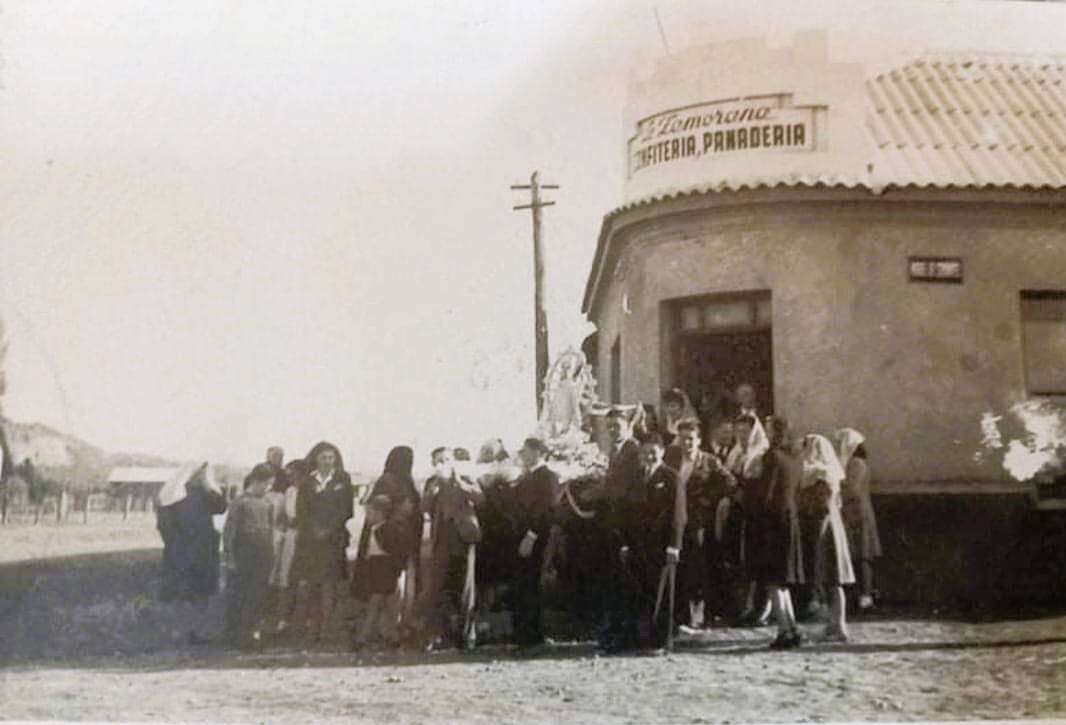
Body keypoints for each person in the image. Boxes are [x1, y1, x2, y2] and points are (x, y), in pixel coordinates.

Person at [664, 419, 736, 631]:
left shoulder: (709, 461)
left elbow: (730, 483)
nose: (687, 443)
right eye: (683, 439)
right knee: (680, 568)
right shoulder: (671, 458)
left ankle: (700, 615)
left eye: (691, 439)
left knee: (699, 568)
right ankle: (680, 617)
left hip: (698, 523)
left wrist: (709, 499)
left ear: (699, 440)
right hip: (676, 522)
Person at [157, 462, 228, 645]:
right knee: (182, 592)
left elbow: (221, 507)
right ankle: (180, 630)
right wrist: (175, 544)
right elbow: (164, 525)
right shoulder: (174, 494)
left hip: (203, 549)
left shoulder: (205, 493)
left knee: (201, 592)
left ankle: (196, 630)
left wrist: (211, 486)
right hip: (182, 550)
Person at [421, 446, 485, 651]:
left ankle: (467, 635)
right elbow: (424, 508)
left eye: (446, 459)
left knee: (466, 586)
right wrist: (432, 493)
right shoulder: (432, 482)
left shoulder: (465, 477)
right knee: (438, 585)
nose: (443, 464)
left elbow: (480, 498)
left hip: (463, 536)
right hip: (442, 537)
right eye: (438, 461)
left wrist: (459, 484)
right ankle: (436, 634)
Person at [290, 441, 354, 642]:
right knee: (308, 583)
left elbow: (346, 509)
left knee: (329, 583)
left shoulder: (343, 479)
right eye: (323, 457)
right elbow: (301, 510)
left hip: (333, 539)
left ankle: (327, 626)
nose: (327, 461)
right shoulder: (307, 482)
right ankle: (309, 626)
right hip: (310, 540)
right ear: (315, 459)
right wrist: (314, 529)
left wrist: (328, 529)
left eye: (331, 458)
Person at [750, 416, 804, 649]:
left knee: (773, 581)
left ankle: (784, 630)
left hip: (772, 523)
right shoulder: (795, 458)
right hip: (789, 520)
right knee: (782, 580)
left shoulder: (771, 457)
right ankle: (791, 627)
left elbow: (766, 493)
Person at [797, 434, 856, 642]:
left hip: (823, 531)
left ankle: (838, 625)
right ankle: (835, 625)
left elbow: (821, 507)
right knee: (833, 580)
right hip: (831, 528)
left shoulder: (820, 474)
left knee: (832, 579)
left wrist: (816, 538)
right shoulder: (827, 472)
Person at [598, 408, 648, 652]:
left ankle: (629, 634)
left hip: (628, 523)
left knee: (628, 580)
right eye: (609, 427)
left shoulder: (633, 451)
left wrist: (601, 492)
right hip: (614, 522)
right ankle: (618, 632)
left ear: (628, 425)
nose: (611, 431)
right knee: (617, 579)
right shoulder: (615, 452)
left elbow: (626, 490)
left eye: (616, 426)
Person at [361, 446, 422, 644]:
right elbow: (379, 511)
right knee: (390, 588)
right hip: (390, 541)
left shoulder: (398, 481)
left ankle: (388, 628)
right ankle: (386, 629)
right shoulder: (393, 482)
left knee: (391, 588)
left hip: (398, 540)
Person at [508, 437, 558, 652]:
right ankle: (524, 634)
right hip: (522, 536)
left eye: (527, 451)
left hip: (535, 538)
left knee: (532, 584)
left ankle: (531, 635)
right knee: (524, 584)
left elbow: (546, 509)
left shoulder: (547, 477)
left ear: (538, 452)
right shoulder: (527, 476)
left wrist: (532, 535)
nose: (523, 455)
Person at [223, 463, 277, 649]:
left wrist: (271, 555)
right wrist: (229, 556)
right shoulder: (240, 502)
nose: (269, 488)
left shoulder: (268, 503)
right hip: (244, 555)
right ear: (257, 481)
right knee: (240, 596)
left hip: (263, 555)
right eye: (267, 484)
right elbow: (229, 531)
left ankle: (253, 635)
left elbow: (270, 530)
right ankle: (235, 636)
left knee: (258, 596)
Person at [640, 433, 681, 649]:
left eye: (653, 452)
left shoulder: (671, 476)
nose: (649, 457)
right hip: (643, 543)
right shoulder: (639, 476)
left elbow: (678, 514)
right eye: (645, 452)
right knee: (648, 590)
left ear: (662, 452)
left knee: (664, 592)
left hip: (664, 542)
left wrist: (674, 544)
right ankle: (648, 636)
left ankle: (663, 640)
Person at [834, 428, 882, 610]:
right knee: (855, 555)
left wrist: (839, 485)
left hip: (857, 515)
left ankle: (866, 594)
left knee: (862, 555)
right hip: (851, 514)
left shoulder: (856, 464)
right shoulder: (849, 463)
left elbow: (852, 489)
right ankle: (859, 594)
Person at [350, 494, 405, 649]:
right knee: (386, 605)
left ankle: (364, 637)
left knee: (377, 603)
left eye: (370, 513)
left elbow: (392, 552)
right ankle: (392, 635)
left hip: (383, 569)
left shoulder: (386, 530)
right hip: (376, 568)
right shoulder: (376, 530)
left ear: (380, 513)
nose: (368, 516)